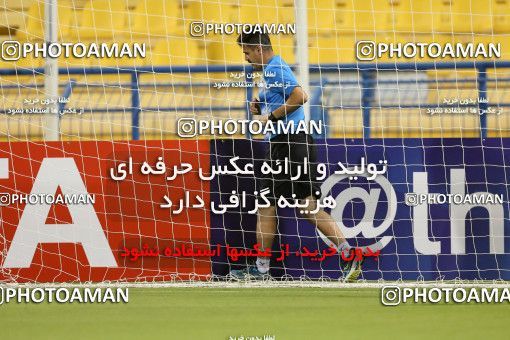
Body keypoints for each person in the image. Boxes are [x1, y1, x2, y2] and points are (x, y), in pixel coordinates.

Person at [230, 31, 363, 282]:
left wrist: (270, 116)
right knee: (288, 205)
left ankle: (262, 271)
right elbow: (286, 99)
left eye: (247, 52)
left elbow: (300, 96)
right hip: (287, 143)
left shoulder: (276, 67)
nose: (246, 58)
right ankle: (347, 255)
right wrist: (263, 106)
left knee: (284, 205)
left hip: (289, 143)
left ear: (258, 49)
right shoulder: (270, 73)